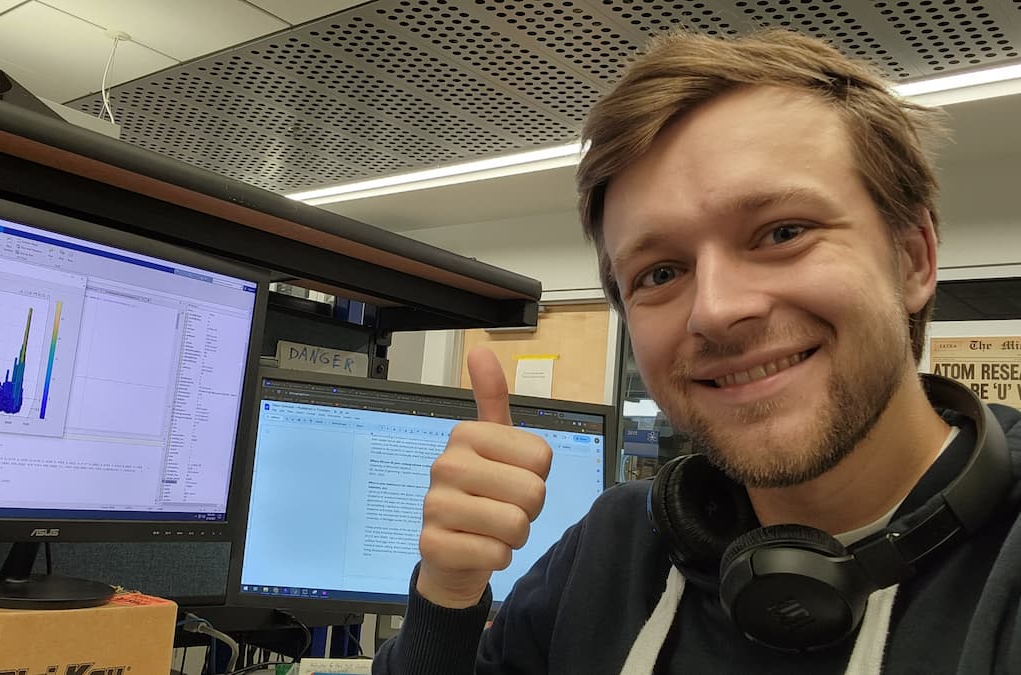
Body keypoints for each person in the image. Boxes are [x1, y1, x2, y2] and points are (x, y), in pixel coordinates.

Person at [372, 28, 1021, 675]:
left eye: (782, 232)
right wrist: (449, 593)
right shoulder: (612, 551)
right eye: (659, 273)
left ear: (914, 258)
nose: (714, 309)